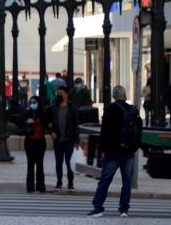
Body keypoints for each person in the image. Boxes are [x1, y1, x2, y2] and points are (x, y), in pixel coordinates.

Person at [88, 85, 142, 218]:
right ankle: (124, 209)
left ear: (114, 96)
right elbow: (139, 130)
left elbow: (104, 132)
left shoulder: (109, 109)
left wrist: (102, 150)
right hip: (128, 151)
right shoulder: (133, 109)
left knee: (105, 180)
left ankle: (98, 207)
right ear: (124, 95)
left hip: (112, 152)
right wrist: (135, 147)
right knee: (127, 182)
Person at [47, 85, 79, 190]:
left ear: (66, 94)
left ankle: (71, 182)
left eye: (61, 93)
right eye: (57, 93)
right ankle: (59, 182)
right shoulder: (53, 107)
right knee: (58, 163)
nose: (58, 95)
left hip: (69, 140)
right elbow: (48, 123)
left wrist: (76, 141)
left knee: (70, 163)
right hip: (58, 140)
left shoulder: (72, 108)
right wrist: (51, 132)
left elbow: (75, 125)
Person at [19, 96, 47, 193]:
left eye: (34, 102)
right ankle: (30, 186)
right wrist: (26, 121)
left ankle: (40, 186)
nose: (33, 104)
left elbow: (47, 123)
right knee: (30, 164)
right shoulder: (27, 113)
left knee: (40, 164)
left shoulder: (42, 113)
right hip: (30, 141)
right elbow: (18, 121)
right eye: (31, 102)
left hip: (40, 141)